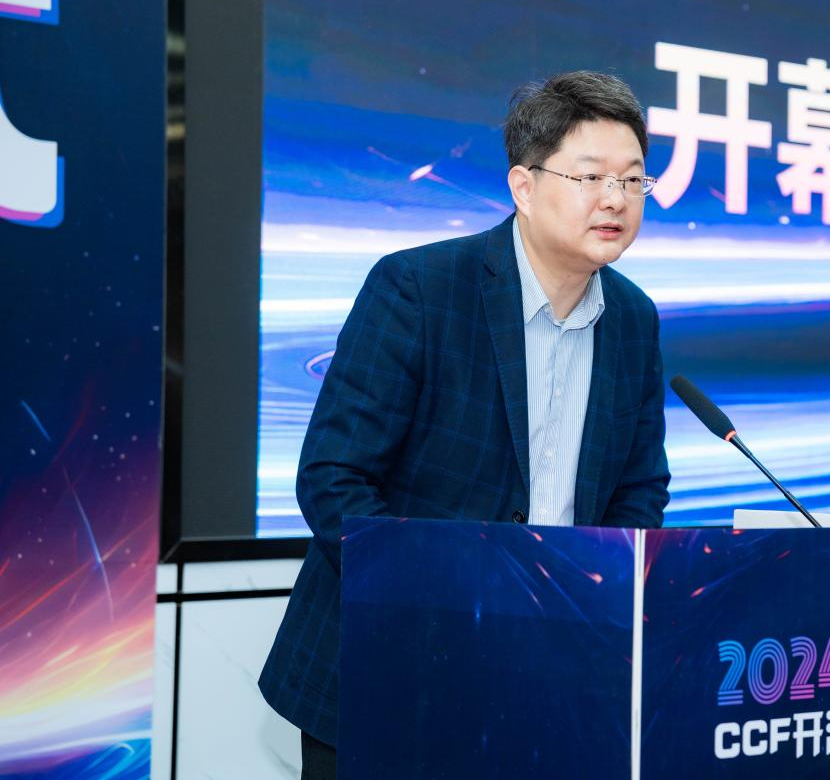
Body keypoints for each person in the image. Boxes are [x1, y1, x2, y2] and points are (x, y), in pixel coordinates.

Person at [258, 71, 671, 778]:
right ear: (523, 186)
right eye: (590, 177)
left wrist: (595, 596)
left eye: (633, 181)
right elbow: (334, 479)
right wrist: (450, 605)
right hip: (392, 667)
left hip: (552, 671)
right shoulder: (420, 289)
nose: (615, 199)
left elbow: (639, 488)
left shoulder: (633, 319)